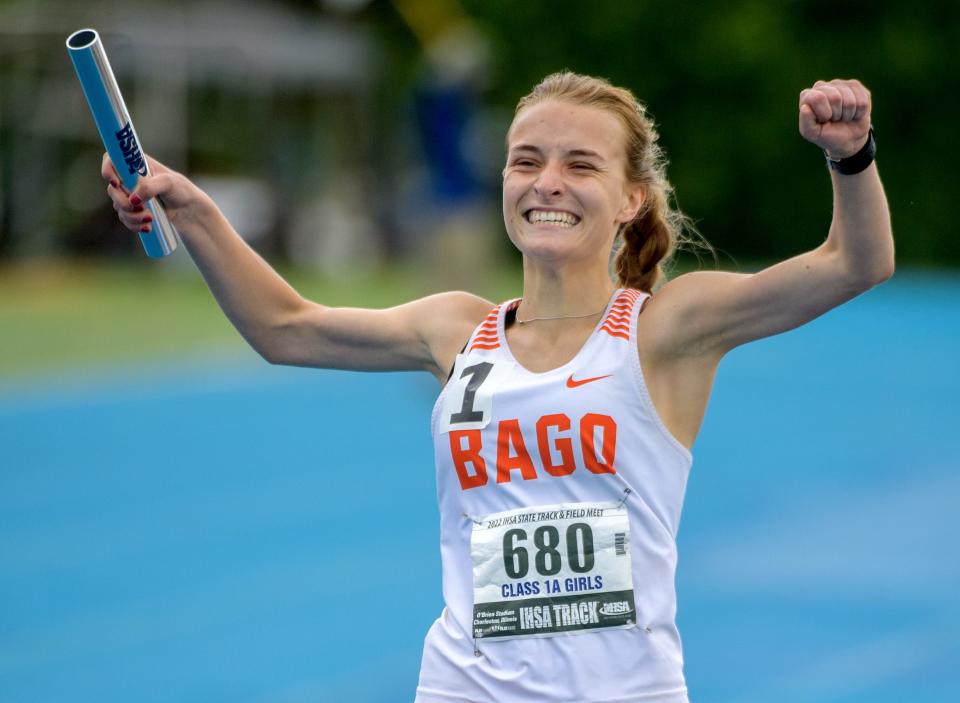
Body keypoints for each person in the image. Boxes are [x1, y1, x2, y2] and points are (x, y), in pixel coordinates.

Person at [103, 72, 893, 703]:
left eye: (580, 164)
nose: (548, 182)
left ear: (631, 199)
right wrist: (196, 211)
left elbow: (854, 263)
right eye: (526, 159)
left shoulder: (664, 329)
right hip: (462, 685)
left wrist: (848, 157)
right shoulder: (456, 329)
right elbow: (286, 328)